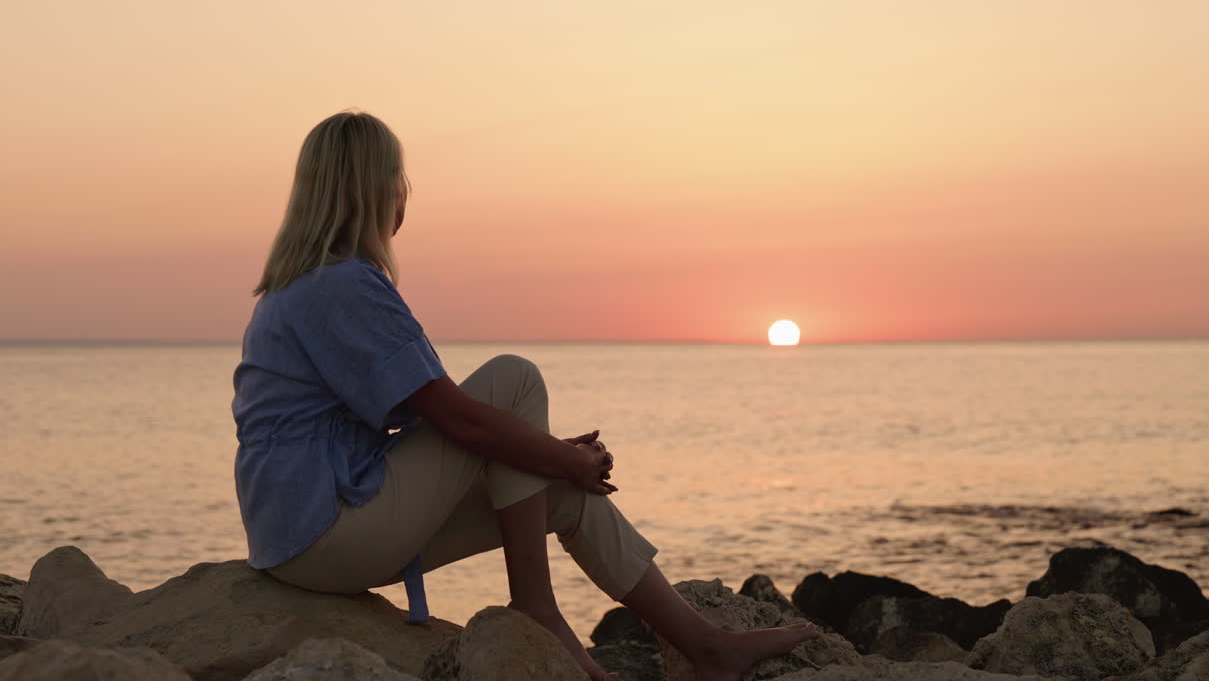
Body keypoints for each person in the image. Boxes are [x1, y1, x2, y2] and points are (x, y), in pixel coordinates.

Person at [230, 109, 818, 680]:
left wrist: (547, 460)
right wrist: (568, 457)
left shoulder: (298, 290)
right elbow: (461, 422)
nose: (404, 193)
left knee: (565, 496)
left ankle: (707, 647)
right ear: (380, 190)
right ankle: (536, 607)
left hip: (305, 533)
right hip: (326, 532)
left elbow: (442, 427)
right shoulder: (343, 285)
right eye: (398, 178)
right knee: (515, 377)